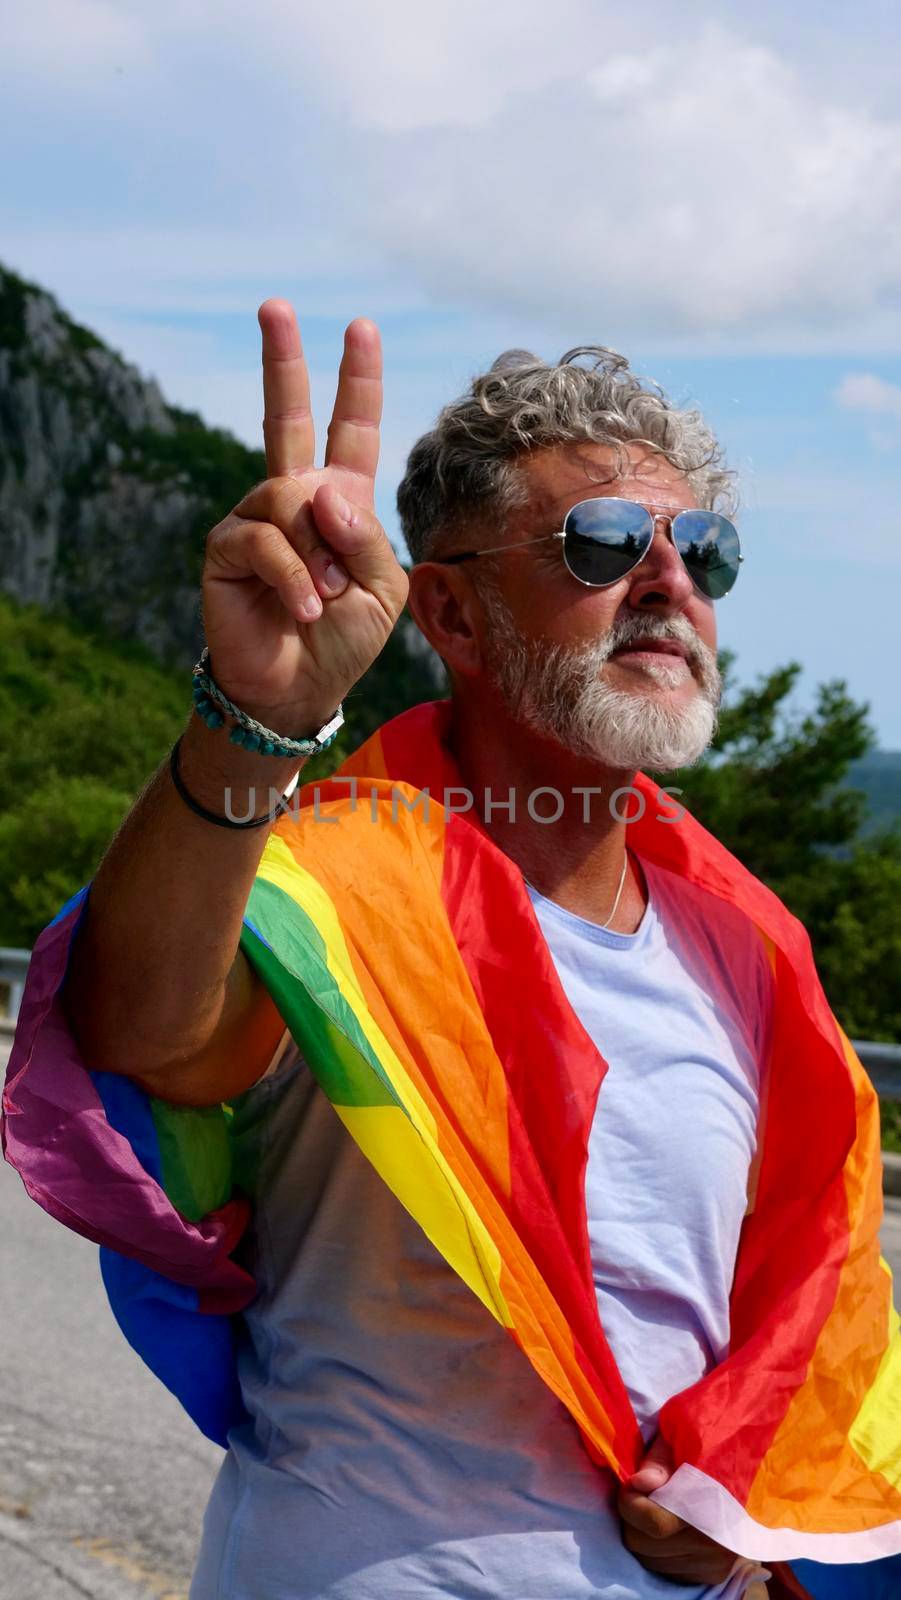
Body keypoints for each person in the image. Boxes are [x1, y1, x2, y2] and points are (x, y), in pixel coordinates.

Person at [10, 301, 898, 1599]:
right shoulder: (332, 891)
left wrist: (745, 1496)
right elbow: (141, 1037)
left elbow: (798, 1302)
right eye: (601, 544)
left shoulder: (751, 951)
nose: (668, 583)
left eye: (701, 550)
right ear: (455, 615)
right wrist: (258, 722)